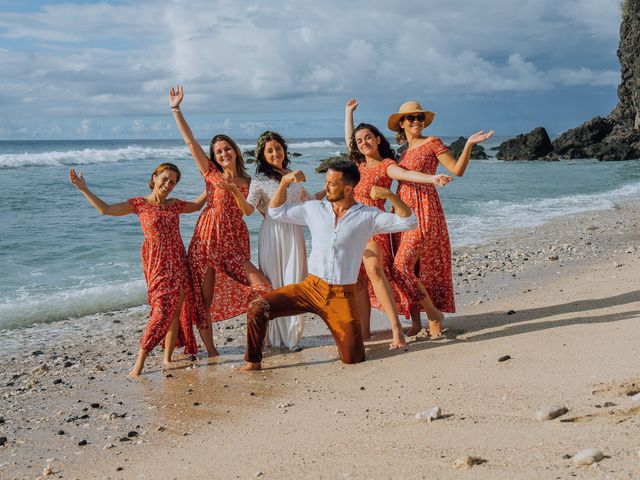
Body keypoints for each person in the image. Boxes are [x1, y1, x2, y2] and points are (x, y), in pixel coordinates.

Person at [239, 160, 418, 371]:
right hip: (309, 288)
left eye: (332, 183)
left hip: (341, 295)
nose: (326, 187)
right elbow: (276, 212)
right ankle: (253, 361)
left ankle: (344, 339)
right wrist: (285, 182)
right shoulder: (314, 209)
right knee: (258, 307)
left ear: (349, 188)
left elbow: (410, 222)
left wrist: (391, 196)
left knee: (353, 359)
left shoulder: (368, 216)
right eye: (326, 181)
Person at [69, 163, 204, 377]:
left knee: (175, 313)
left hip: (179, 262)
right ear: (155, 177)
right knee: (160, 313)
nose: (168, 184)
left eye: (173, 182)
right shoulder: (140, 204)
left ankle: (167, 358)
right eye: (165, 179)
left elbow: (197, 205)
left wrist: (211, 180)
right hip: (157, 265)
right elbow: (105, 210)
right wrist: (83, 188)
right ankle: (139, 363)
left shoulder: (174, 205)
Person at [169, 85, 271, 357]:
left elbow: (262, 212)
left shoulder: (250, 182)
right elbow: (190, 142)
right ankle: (212, 352)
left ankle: (260, 339)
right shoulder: (211, 174)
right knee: (204, 301)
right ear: (214, 157)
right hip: (206, 242)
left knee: (262, 289)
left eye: (227, 149)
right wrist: (176, 109)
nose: (223, 153)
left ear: (235, 151)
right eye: (218, 152)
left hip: (235, 244)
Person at [344, 99, 452, 347]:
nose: (364, 143)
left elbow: (405, 175)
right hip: (352, 226)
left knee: (378, 271)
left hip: (375, 224)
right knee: (361, 279)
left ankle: (399, 329)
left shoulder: (386, 165)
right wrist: (348, 112)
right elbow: (351, 139)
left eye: (369, 138)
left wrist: (433, 178)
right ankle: (365, 331)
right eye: (361, 141)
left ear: (378, 139)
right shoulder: (357, 164)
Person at [387, 100, 494, 337]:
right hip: (402, 210)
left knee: (402, 265)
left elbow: (457, 170)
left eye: (420, 118)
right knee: (410, 267)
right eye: (411, 118)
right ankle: (417, 322)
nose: (417, 121)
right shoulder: (401, 153)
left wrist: (468, 144)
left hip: (425, 208)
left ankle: (434, 314)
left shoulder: (432, 142)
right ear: (401, 124)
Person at [229, 131, 324, 350]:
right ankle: (274, 338)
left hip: (294, 233)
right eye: (269, 150)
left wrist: (330, 190)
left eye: (278, 148)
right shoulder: (260, 180)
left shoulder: (291, 173)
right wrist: (235, 190)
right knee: (275, 285)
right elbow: (248, 210)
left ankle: (291, 339)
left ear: (284, 150)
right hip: (272, 233)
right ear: (262, 154)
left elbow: (309, 201)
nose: (275, 153)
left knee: (294, 281)